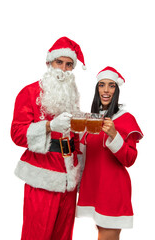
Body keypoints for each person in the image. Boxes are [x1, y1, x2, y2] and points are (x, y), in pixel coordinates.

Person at [11, 36, 86, 240]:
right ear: (49, 63)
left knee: (64, 235)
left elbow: (76, 139)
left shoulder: (72, 96)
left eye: (69, 64)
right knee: (37, 234)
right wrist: (48, 125)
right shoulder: (29, 92)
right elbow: (17, 134)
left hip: (68, 176)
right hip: (41, 176)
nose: (63, 68)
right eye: (59, 62)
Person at [76, 66, 143, 240]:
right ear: (97, 89)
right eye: (102, 85)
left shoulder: (126, 118)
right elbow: (84, 155)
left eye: (111, 85)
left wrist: (114, 134)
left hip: (113, 190)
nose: (106, 90)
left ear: (117, 90)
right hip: (94, 188)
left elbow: (130, 159)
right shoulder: (91, 118)